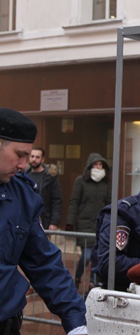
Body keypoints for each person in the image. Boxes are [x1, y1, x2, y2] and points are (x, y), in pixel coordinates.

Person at [0, 108, 87, 335]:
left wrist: (75, 320)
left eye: (28, 156)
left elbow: (43, 262)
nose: (23, 164)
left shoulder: (23, 197)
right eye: (19, 155)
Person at [65, 153, 111, 289]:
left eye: (100, 164)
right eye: (95, 164)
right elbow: (74, 202)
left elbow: (109, 203)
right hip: (84, 223)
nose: (98, 167)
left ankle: (92, 282)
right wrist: (69, 222)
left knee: (97, 256)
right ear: (90, 166)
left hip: (101, 224)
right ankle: (77, 277)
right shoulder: (81, 181)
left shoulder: (106, 183)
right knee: (87, 255)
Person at [25, 147, 63, 230]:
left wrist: (54, 222)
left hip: (44, 220)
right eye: (32, 156)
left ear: (42, 159)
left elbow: (56, 200)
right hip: (25, 219)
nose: (34, 159)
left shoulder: (50, 177)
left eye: (37, 157)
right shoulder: (23, 175)